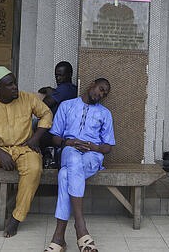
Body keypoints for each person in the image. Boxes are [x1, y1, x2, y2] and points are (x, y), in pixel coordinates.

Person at [0, 66, 53, 237]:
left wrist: (36, 138)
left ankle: (16, 218)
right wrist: (0, 153)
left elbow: (46, 114)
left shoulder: (27, 98)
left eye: (14, 83)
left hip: (24, 148)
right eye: (9, 85)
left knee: (34, 169)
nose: (15, 87)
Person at [44, 78, 115, 252]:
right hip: (70, 150)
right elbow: (54, 136)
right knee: (73, 160)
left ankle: (59, 238)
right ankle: (80, 227)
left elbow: (108, 146)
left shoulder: (105, 113)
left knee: (65, 175)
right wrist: (70, 142)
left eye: (104, 93)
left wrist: (93, 146)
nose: (101, 94)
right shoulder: (67, 106)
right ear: (92, 84)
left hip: (93, 156)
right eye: (100, 89)